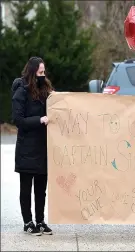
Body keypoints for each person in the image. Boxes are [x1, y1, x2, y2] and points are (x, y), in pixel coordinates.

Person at [11, 57, 53, 236]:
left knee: (41, 189)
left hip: (43, 148)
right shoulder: (21, 92)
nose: (43, 76)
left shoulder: (46, 90)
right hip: (27, 148)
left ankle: (40, 220)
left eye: (44, 72)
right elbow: (18, 120)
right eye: (40, 73)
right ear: (32, 72)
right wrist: (40, 120)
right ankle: (28, 221)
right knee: (26, 188)